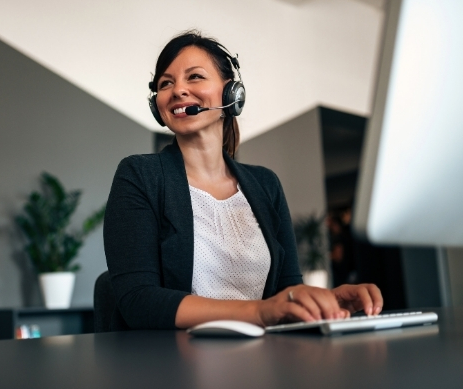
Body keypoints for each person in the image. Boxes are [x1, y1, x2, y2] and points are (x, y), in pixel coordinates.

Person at [103, 30, 383, 331]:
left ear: (231, 92)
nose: (178, 90)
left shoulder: (265, 185)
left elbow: (286, 288)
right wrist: (260, 312)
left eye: (194, 77)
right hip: (177, 364)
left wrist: (322, 302)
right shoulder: (140, 176)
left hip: (264, 357)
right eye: (165, 83)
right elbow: (139, 301)